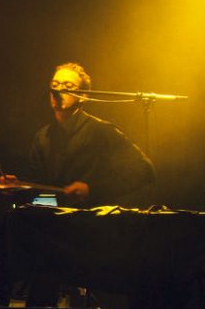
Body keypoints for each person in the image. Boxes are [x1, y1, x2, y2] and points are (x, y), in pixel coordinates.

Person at [11, 62, 155, 207]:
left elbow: (145, 171)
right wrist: (17, 187)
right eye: (54, 85)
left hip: (91, 217)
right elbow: (38, 196)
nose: (58, 90)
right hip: (55, 217)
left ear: (83, 96)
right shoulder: (43, 137)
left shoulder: (102, 131)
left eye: (68, 86)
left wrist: (92, 190)